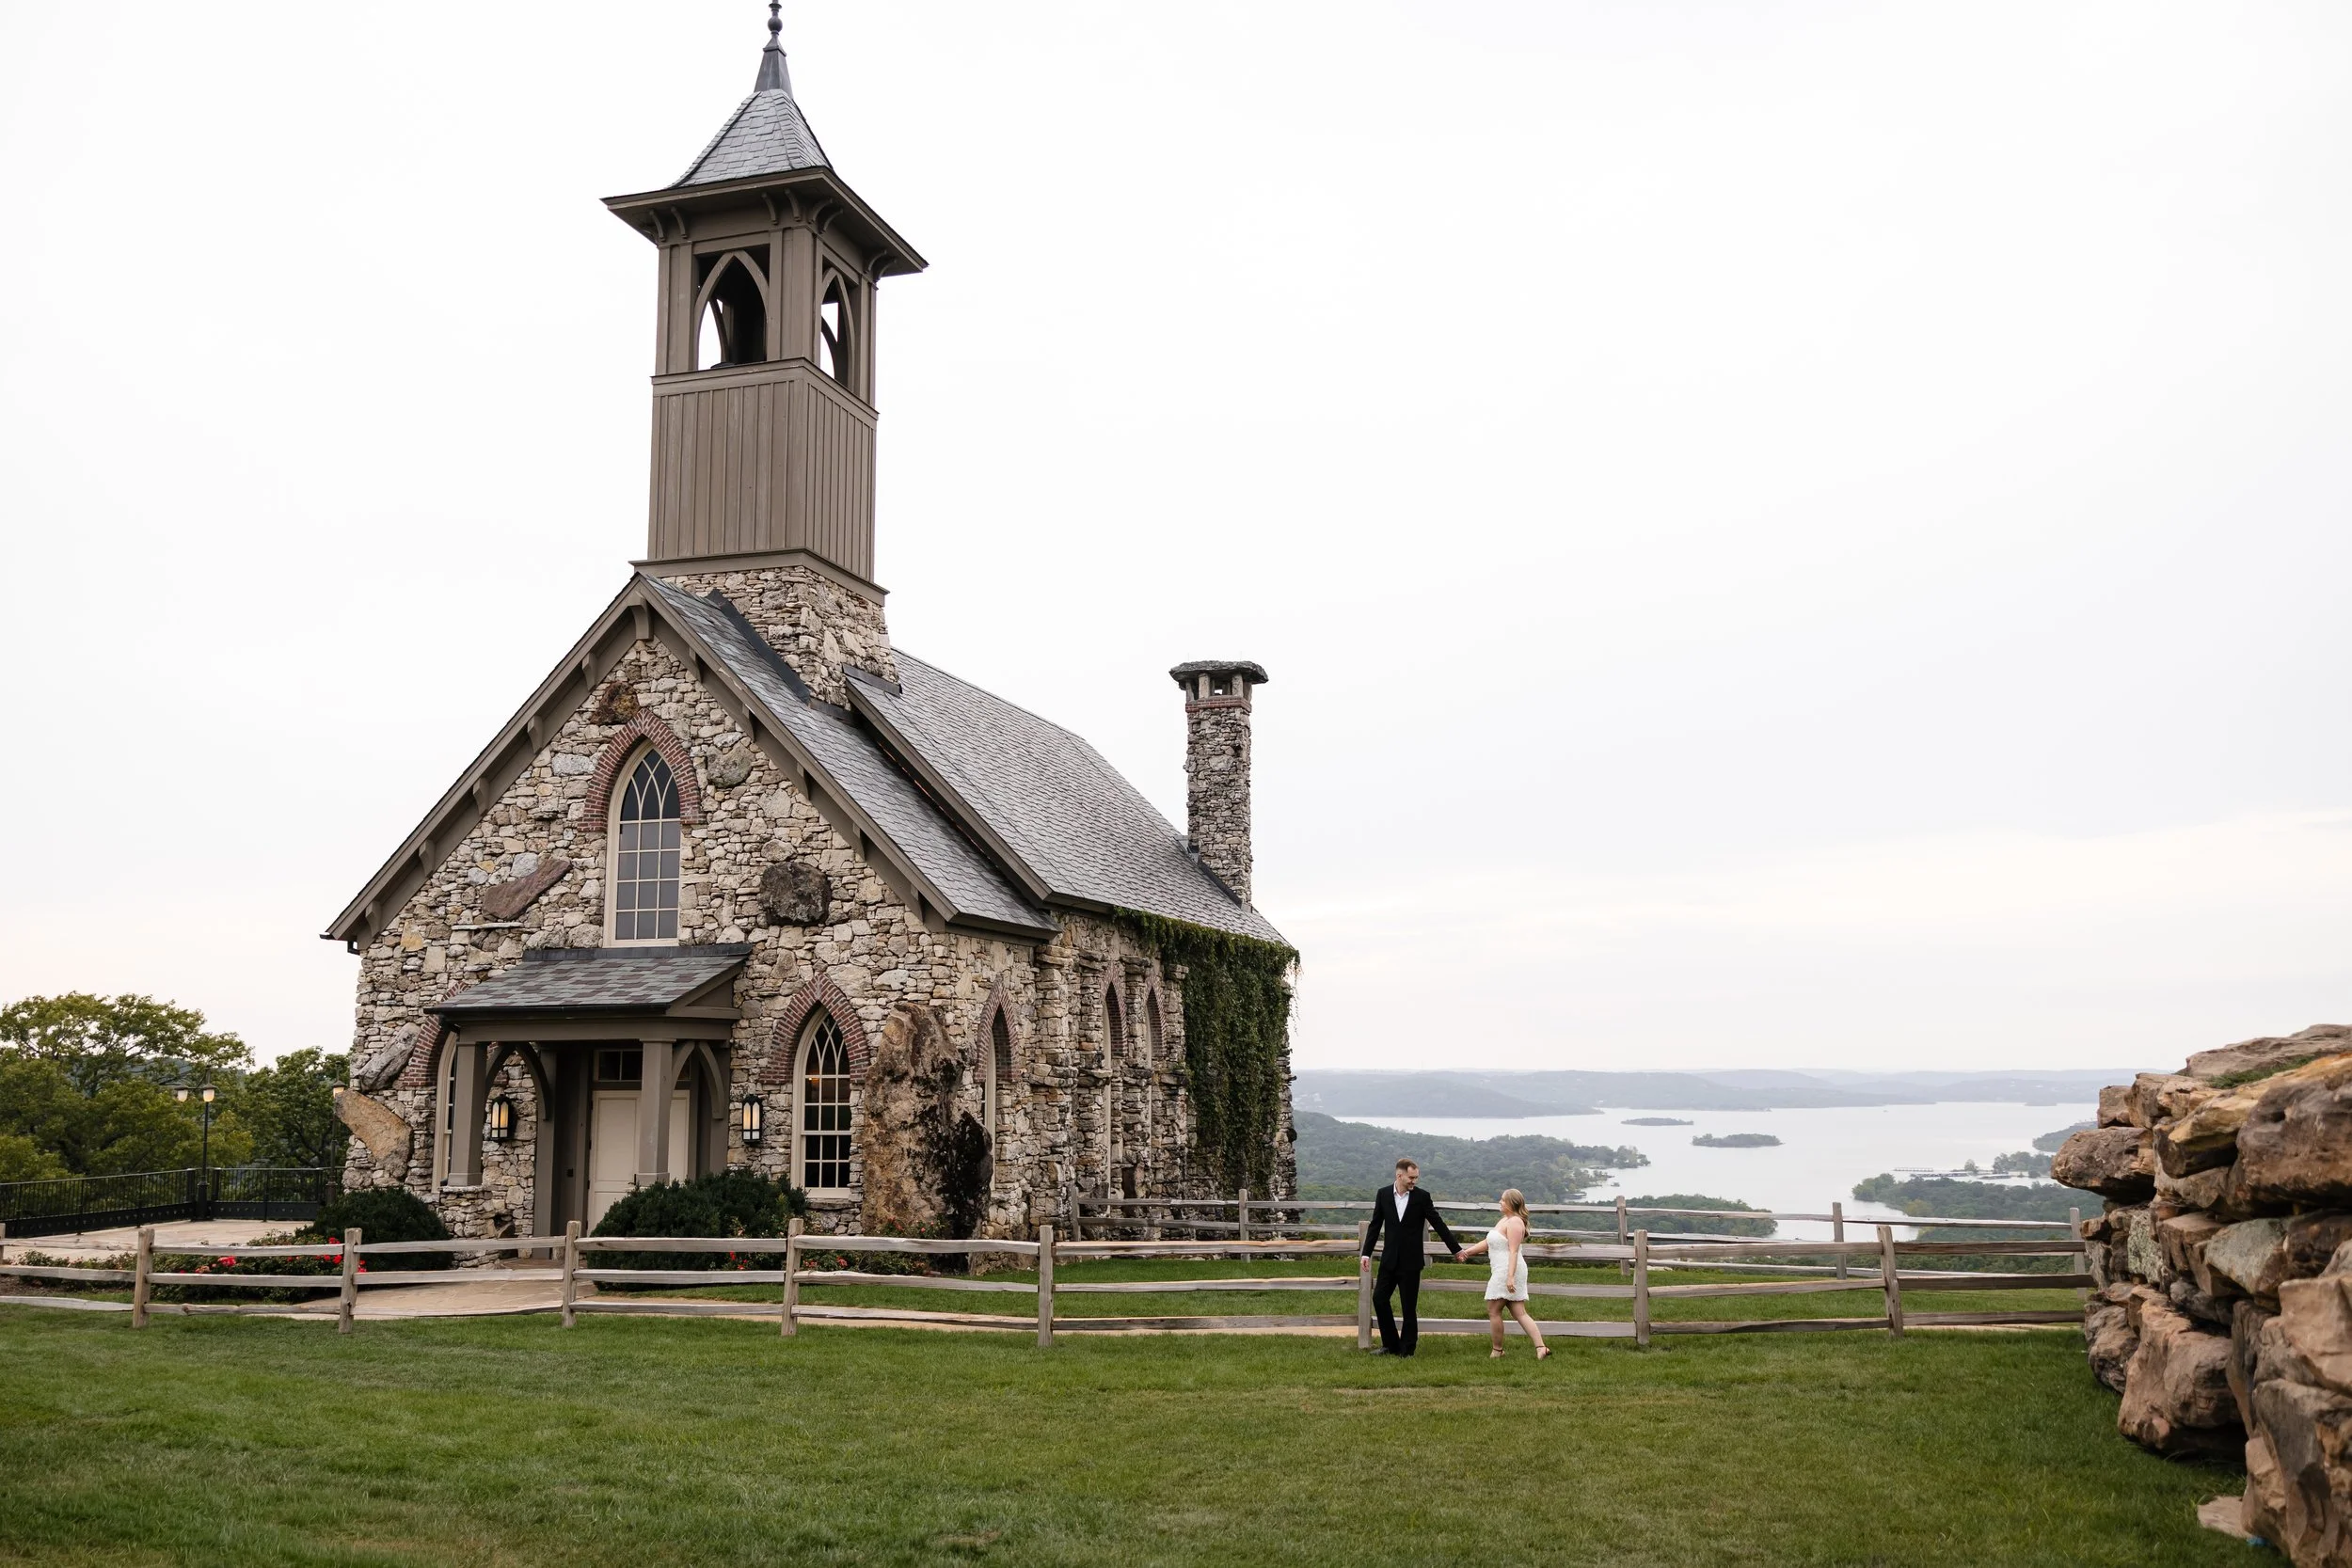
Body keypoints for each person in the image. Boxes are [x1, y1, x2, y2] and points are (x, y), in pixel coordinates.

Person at [1359, 1157, 1463, 1355]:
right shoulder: (1383, 1194)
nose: (1414, 1181)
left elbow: (1438, 1223)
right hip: (1389, 1260)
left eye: (1416, 1178)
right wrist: (1366, 1254)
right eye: (1411, 1177)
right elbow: (1375, 1226)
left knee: (1409, 1308)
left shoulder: (1422, 1197)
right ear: (1399, 1175)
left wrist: (1455, 1249)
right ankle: (1390, 1345)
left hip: (1411, 1262)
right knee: (1379, 1299)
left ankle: (1407, 1349)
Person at [1459, 1188, 1550, 1361]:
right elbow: (1488, 1243)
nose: (1499, 1202)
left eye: (1502, 1200)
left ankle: (1498, 1350)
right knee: (1519, 1312)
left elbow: (1514, 1251)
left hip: (1508, 1270)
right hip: (1502, 1269)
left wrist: (1510, 1277)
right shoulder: (1504, 1220)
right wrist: (1467, 1252)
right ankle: (1541, 1348)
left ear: (1511, 1203)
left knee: (1493, 1309)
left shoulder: (1515, 1222)